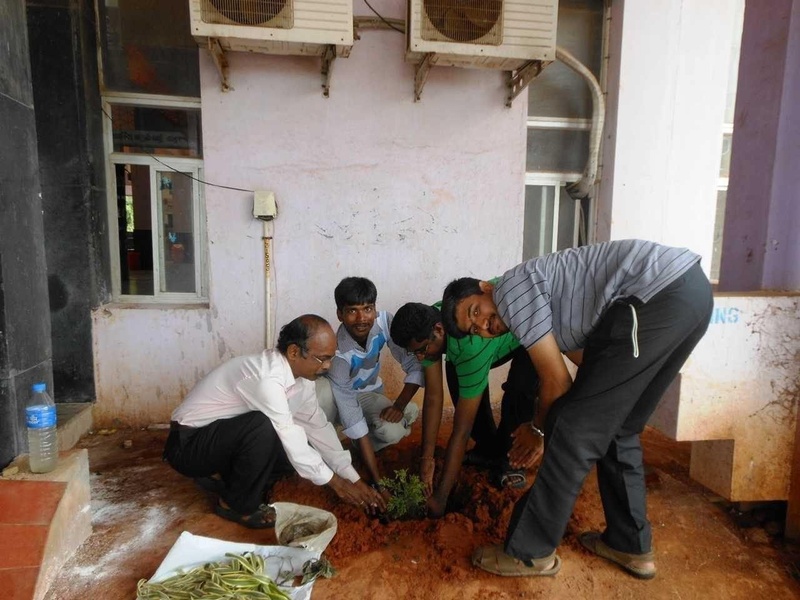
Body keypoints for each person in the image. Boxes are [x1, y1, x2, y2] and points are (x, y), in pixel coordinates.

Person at [440, 239, 713, 579]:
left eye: (474, 311)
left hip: (654, 296)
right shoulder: (551, 302)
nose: (483, 325)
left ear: (485, 288)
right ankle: (629, 543)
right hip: (690, 294)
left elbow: (557, 384)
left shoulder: (510, 292)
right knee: (618, 425)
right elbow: (591, 371)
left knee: (570, 426)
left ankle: (530, 552)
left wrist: (537, 431)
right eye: (474, 329)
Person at [163, 314, 386, 529]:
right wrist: (336, 484)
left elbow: (317, 427)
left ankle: (223, 476)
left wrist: (353, 478)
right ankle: (234, 504)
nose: (327, 366)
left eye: (331, 358)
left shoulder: (303, 380)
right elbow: (289, 434)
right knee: (265, 427)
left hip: (216, 439)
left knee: (291, 454)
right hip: (187, 445)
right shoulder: (267, 378)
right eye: (322, 358)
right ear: (294, 352)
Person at [389, 302, 538, 491]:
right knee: (460, 382)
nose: (420, 357)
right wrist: (427, 459)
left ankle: (511, 460)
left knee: (519, 391)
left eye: (422, 350)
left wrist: (441, 499)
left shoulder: (470, 345)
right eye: (414, 352)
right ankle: (488, 449)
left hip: (531, 328)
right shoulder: (429, 322)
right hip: (478, 344)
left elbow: (462, 428)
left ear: (439, 329)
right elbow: (434, 397)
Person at [316, 277, 424, 486]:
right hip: (341, 397)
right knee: (330, 403)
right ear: (340, 314)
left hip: (369, 394)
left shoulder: (385, 323)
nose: (361, 318)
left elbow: (414, 364)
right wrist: (377, 481)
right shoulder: (337, 352)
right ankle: (343, 445)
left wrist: (399, 404)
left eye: (367, 309)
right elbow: (350, 412)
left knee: (390, 432)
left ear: (375, 309)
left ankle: (401, 413)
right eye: (352, 311)